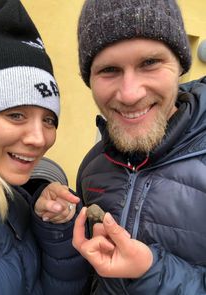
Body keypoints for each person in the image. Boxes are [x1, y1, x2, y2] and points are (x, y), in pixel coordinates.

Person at [71, 0, 206, 294]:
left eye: (150, 63)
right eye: (108, 69)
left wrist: (152, 272)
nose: (130, 94)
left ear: (181, 66)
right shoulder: (93, 167)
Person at [0, 0, 89, 294]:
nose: (39, 138)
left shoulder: (14, 198)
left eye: (49, 119)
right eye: (15, 114)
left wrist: (54, 229)